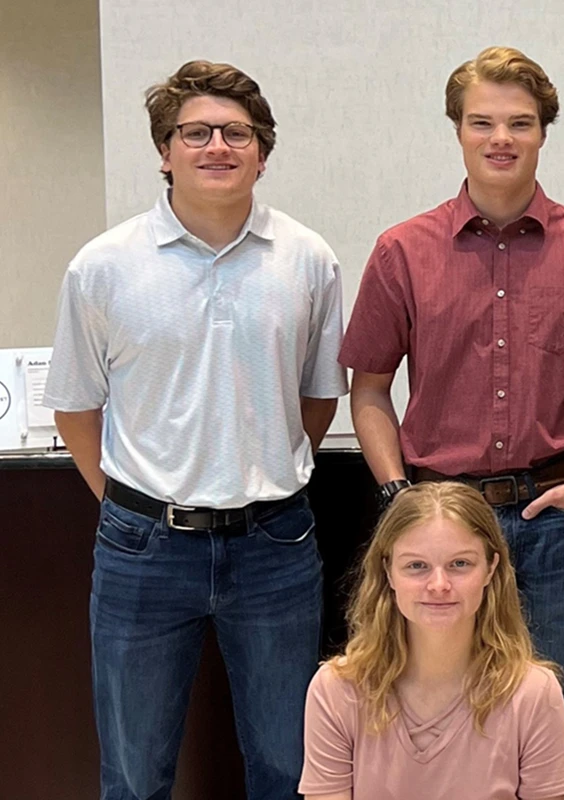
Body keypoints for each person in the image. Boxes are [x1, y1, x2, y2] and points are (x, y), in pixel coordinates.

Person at [45, 60, 345, 800]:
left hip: (276, 545)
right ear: (165, 150)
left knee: (287, 768)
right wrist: (128, 501)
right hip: (143, 549)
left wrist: (260, 462)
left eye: (236, 133)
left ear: (262, 152)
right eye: (196, 132)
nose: (217, 145)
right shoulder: (102, 267)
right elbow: (76, 408)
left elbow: (315, 398)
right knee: (135, 771)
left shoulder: (308, 259)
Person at [340, 46, 564, 765]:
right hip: (439, 522)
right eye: (483, 122)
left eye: (520, 123)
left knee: (559, 721)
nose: (501, 139)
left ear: (544, 132)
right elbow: (371, 389)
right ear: (457, 130)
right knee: (432, 715)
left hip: (556, 520)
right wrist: (394, 495)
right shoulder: (401, 252)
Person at [300, 482, 564, 800]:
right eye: (417, 566)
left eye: (460, 564)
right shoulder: (335, 690)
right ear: (388, 571)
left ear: (490, 569)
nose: (439, 585)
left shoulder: (533, 693)